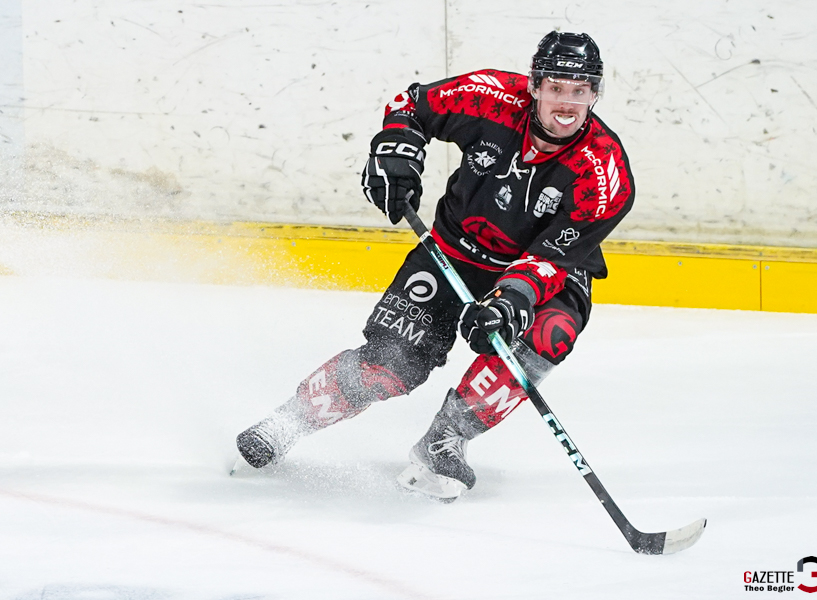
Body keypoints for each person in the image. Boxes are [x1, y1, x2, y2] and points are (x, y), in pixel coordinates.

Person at [235, 31, 635, 501]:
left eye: (580, 90)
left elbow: (550, 259)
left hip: (549, 270)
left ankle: (446, 440)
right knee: (390, 364)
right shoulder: (490, 97)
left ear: (595, 93)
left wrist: (508, 305)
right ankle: (291, 420)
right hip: (453, 250)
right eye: (556, 88)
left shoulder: (603, 174)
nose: (566, 103)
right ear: (534, 86)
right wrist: (396, 148)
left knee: (549, 334)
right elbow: (411, 104)